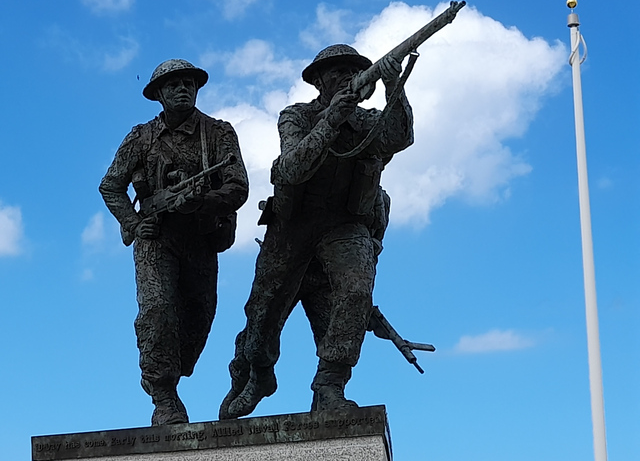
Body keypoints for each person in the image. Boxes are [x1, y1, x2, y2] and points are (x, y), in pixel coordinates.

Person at [220, 44, 413, 419]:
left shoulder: (368, 122)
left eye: (351, 70)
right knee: (260, 321)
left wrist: (394, 85)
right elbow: (290, 169)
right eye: (335, 71)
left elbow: (399, 138)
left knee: (357, 291)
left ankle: (329, 385)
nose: (345, 76)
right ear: (319, 81)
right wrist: (330, 121)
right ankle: (258, 376)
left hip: (344, 225)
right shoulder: (297, 115)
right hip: (291, 228)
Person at [100, 59, 248, 425]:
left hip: (200, 237)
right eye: (174, 84)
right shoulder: (141, 137)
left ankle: (169, 368)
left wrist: (203, 201)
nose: (183, 89)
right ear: (159, 94)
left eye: (189, 83)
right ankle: (164, 396)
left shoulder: (219, 133)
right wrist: (133, 224)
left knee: (198, 315)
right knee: (158, 311)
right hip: (157, 237)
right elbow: (111, 186)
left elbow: (238, 185)